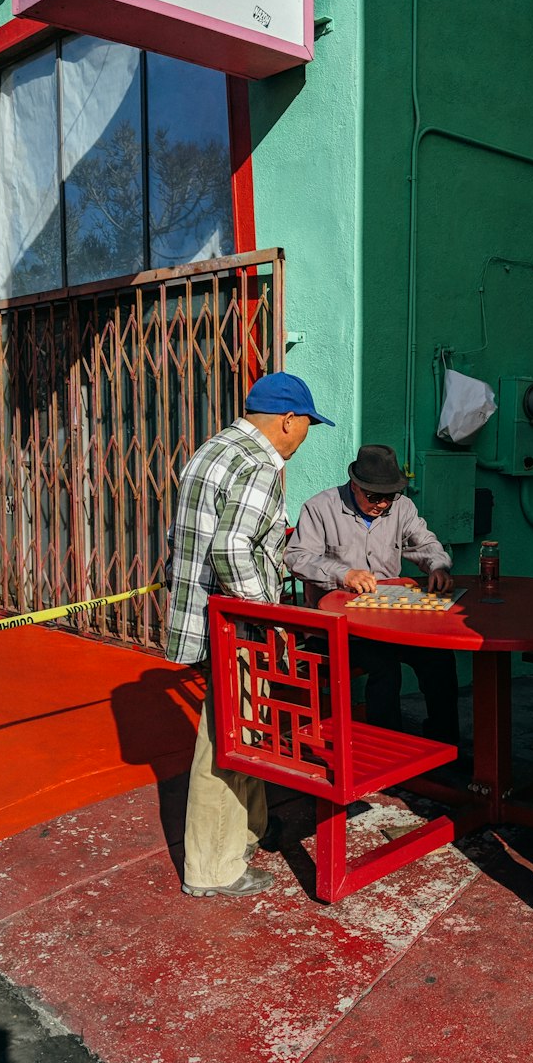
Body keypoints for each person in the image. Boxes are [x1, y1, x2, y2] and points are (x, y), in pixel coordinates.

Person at [165, 371, 334, 900]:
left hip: (203, 617)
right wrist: (269, 618)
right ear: (288, 420)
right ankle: (213, 868)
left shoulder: (213, 449)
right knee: (225, 742)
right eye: (307, 425)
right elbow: (232, 550)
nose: (304, 437)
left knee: (245, 729)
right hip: (235, 626)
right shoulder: (261, 463)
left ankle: (251, 829)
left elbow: (184, 538)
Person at [285, 444, 460, 740]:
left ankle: (443, 745)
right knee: (385, 669)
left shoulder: (402, 508)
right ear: (355, 486)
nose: (382, 505)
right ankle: (389, 748)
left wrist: (438, 566)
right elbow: (296, 557)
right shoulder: (320, 508)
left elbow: (426, 543)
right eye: (374, 497)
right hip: (337, 628)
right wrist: (344, 574)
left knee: (439, 658)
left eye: (388, 497)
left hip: (389, 620)